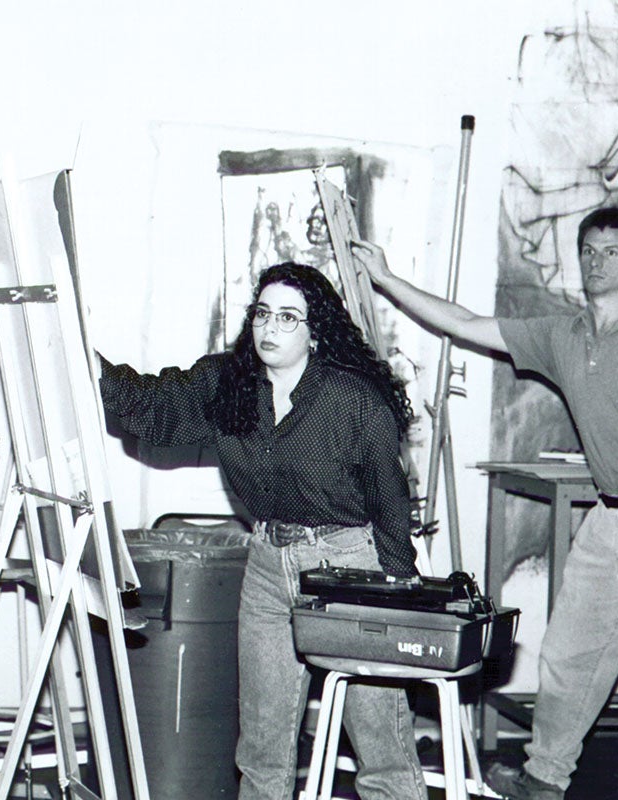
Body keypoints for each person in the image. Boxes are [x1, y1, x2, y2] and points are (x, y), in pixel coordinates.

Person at [353, 206, 618, 800]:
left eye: (611, 252)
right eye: (588, 250)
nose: (596, 261)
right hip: (609, 520)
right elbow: (466, 321)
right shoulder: (561, 335)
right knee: (566, 656)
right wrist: (387, 280)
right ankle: (544, 778)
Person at [99, 262, 427, 800]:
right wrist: (83, 364)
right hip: (269, 564)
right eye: (262, 314)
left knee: (379, 744)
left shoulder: (353, 398)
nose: (270, 328)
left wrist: (395, 591)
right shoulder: (229, 384)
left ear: (316, 332)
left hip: (352, 568)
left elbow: (390, 501)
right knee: (262, 748)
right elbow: (154, 409)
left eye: (288, 318)